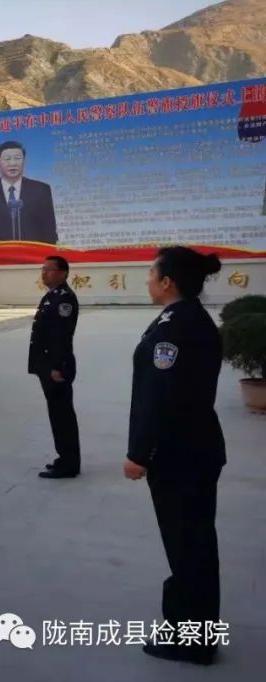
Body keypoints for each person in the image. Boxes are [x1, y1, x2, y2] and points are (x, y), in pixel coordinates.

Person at [126, 247, 226, 667]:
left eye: (152, 273)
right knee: (194, 543)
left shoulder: (177, 328)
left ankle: (192, 641)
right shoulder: (185, 318)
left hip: (179, 454)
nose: (147, 280)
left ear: (167, 282)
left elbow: (161, 399)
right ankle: (195, 630)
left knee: (188, 546)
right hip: (193, 448)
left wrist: (139, 453)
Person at [29, 256, 80, 479]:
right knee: (57, 414)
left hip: (56, 367)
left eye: (49, 270)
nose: (44, 273)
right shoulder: (52, 296)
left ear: (63, 273)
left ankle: (69, 463)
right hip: (47, 364)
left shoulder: (64, 298)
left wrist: (58, 366)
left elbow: (62, 336)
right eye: (43, 269)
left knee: (62, 416)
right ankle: (64, 458)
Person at [0, 140, 58, 245]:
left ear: (24, 161)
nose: (12, 163)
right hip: (0, 254)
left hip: (34, 254)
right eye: (7, 159)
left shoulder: (42, 190)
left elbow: (50, 234)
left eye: (17, 158)